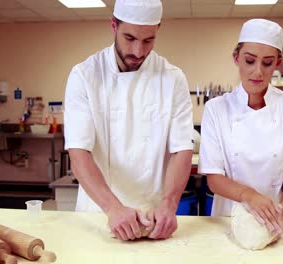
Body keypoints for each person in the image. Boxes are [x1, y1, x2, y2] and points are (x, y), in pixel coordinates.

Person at [64, 0, 193, 241]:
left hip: (152, 216)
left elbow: (181, 150)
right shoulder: (84, 76)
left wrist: (169, 204)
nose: (138, 51)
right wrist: (113, 208)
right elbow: (79, 154)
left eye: (148, 40)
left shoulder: (173, 78)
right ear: (113, 25)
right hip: (99, 214)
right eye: (130, 38)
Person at [198, 19, 283, 237]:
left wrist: (279, 212)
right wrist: (249, 196)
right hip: (228, 219)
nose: (258, 72)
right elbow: (214, 179)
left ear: (278, 63)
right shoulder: (216, 109)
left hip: (278, 220)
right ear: (236, 58)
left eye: (268, 63)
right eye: (250, 61)